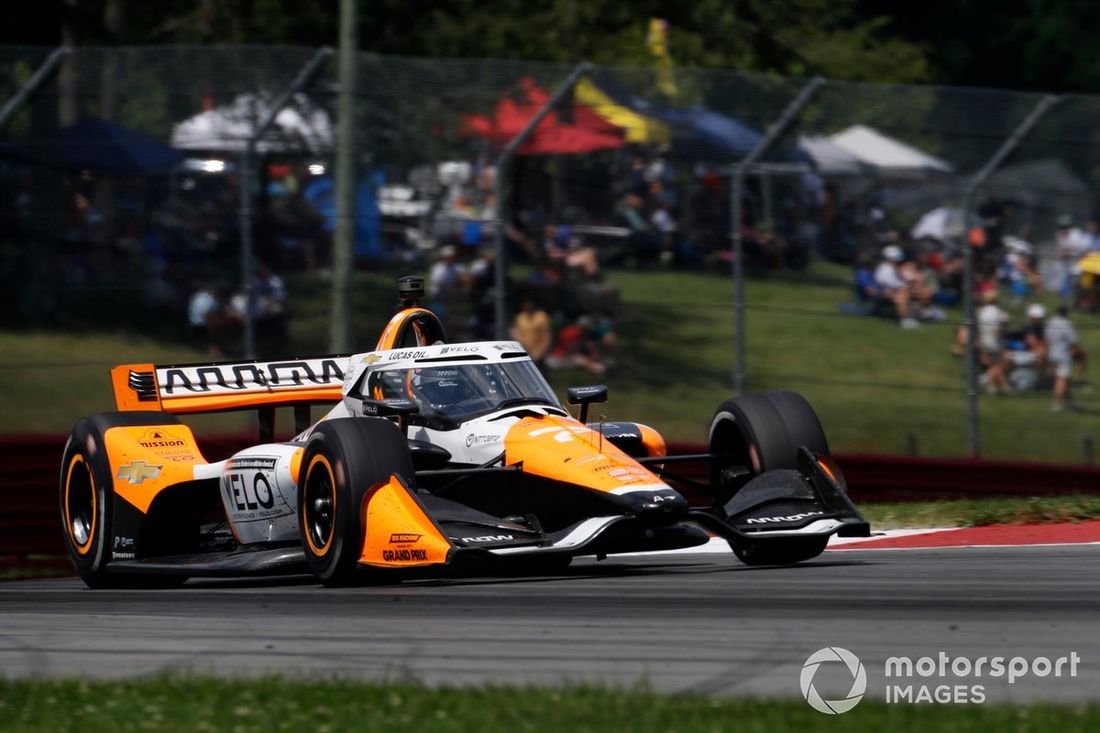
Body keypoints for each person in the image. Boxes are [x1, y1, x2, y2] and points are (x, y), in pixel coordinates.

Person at [976, 290, 1012, 394]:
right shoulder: (997, 312)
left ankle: (993, 388)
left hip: (984, 341)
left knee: (991, 366)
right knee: (999, 365)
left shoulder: (981, 312)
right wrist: (1001, 346)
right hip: (994, 342)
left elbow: (979, 329)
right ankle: (985, 382)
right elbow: (997, 330)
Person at [873, 245, 918, 328]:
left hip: (897, 290)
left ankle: (922, 313)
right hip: (886, 293)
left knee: (919, 287)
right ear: (889, 259)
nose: (897, 261)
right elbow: (887, 285)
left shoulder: (894, 268)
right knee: (901, 296)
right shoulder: (884, 270)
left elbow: (902, 283)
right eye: (895, 259)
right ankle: (905, 320)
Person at [1045, 305, 1079, 411]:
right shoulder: (1067, 324)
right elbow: (1073, 342)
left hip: (1052, 355)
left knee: (1066, 381)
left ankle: (1071, 403)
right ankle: (1056, 404)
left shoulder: (1051, 323)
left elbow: (1047, 339)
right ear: (1066, 313)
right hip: (1063, 356)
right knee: (1061, 381)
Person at [510, 296, 552, 363]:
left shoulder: (541, 316)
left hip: (539, 353)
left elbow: (546, 336)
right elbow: (515, 332)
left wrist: (540, 352)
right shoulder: (520, 317)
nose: (527, 305)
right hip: (523, 351)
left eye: (529, 303)